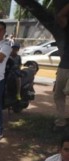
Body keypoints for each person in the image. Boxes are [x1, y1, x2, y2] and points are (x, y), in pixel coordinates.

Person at [53, 3, 69, 133]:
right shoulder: (67, 24)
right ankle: (61, 123)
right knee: (58, 94)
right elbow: (60, 16)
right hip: (64, 65)